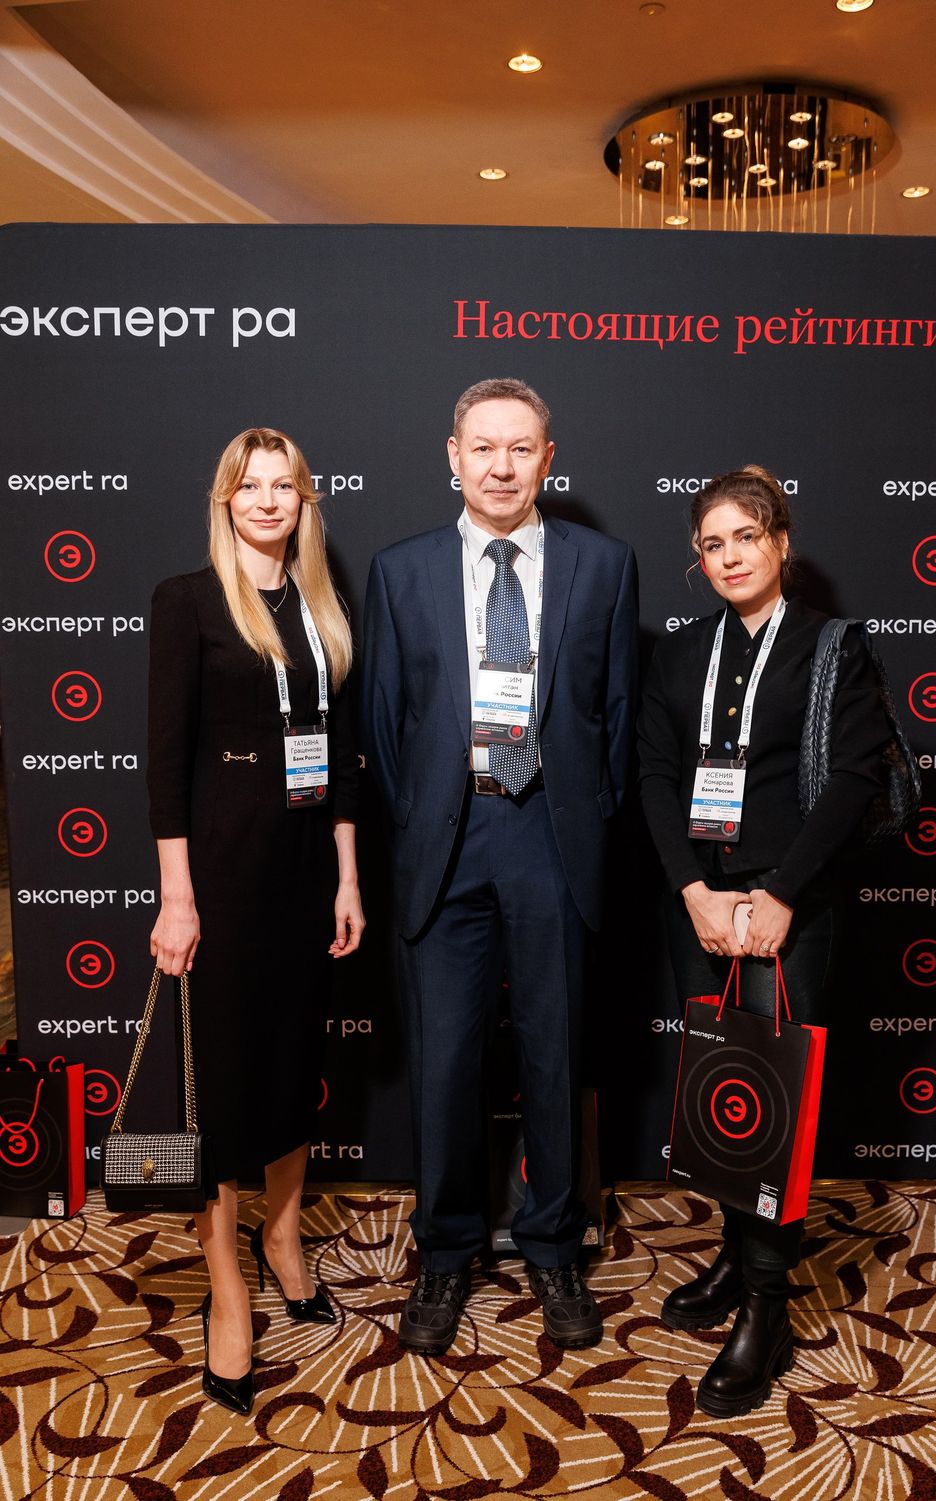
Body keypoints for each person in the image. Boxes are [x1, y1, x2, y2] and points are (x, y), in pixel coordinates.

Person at [361, 378, 638, 1355]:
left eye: (521, 448)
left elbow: (615, 719)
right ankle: (445, 1251)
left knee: (555, 1055)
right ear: (453, 456)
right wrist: (429, 814)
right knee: (445, 1060)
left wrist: (581, 821)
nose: (502, 466)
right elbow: (384, 725)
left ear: (547, 458)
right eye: (483, 447)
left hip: (551, 839)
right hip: (447, 838)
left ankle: (554, 1244)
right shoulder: (401, 571)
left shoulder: (605, 566)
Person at [638, 464, 888, 1418]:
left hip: (792, 908)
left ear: (781, 543)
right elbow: (654, 774)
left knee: (775, 1100)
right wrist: (694, 892)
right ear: (698, 561)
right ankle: (734, 1255)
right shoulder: (680, 651)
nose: (731, 555)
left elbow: (856, 779)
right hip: (701, 906)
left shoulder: (832, 646)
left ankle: (767, 1307)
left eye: (747, 536)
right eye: (713, 543)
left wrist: (781, 895)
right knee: (724, 1093)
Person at [147, 427, 364, 1415]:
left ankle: (281, 1234)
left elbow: (344, 756)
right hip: (223, 877)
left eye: (284, 485)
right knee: (226, 1076)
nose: (268, 500)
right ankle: (225, 1279)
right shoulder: (187, 600)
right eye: (250, 485)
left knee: (290, 1061)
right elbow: (165, 764)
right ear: (225, 498)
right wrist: (177, 896)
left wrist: (347, 879)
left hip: (305, 870)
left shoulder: (323, 605)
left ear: (304, 500)